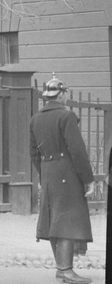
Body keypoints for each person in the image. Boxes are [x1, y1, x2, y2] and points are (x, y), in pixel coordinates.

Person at [30, 77, 95, 284]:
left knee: (54, 221)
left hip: (48, 174)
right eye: (66, 93)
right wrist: (88, 179)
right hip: (67, 173)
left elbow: (34, 154)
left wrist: (45, 174)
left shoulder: (35, 119)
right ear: (62, 94)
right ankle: (66, 271)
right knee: (67, 221)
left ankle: (61, 269)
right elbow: (78, 151)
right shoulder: (67, 116)